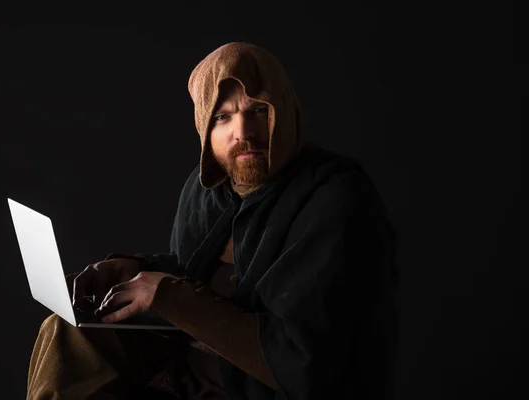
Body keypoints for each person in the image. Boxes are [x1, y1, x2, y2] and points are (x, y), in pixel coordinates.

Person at [27, 42, 399, 400]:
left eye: (258, 110)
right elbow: (194, 272)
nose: (243, 133)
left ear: (284, 109)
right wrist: (133, 270)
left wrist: (170, 296)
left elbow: (307, 364)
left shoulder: (336, 199)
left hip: (255, 388)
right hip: (185, 371)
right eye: (223, 117)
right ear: (205, 124)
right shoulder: (208, 187)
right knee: (64, 331)